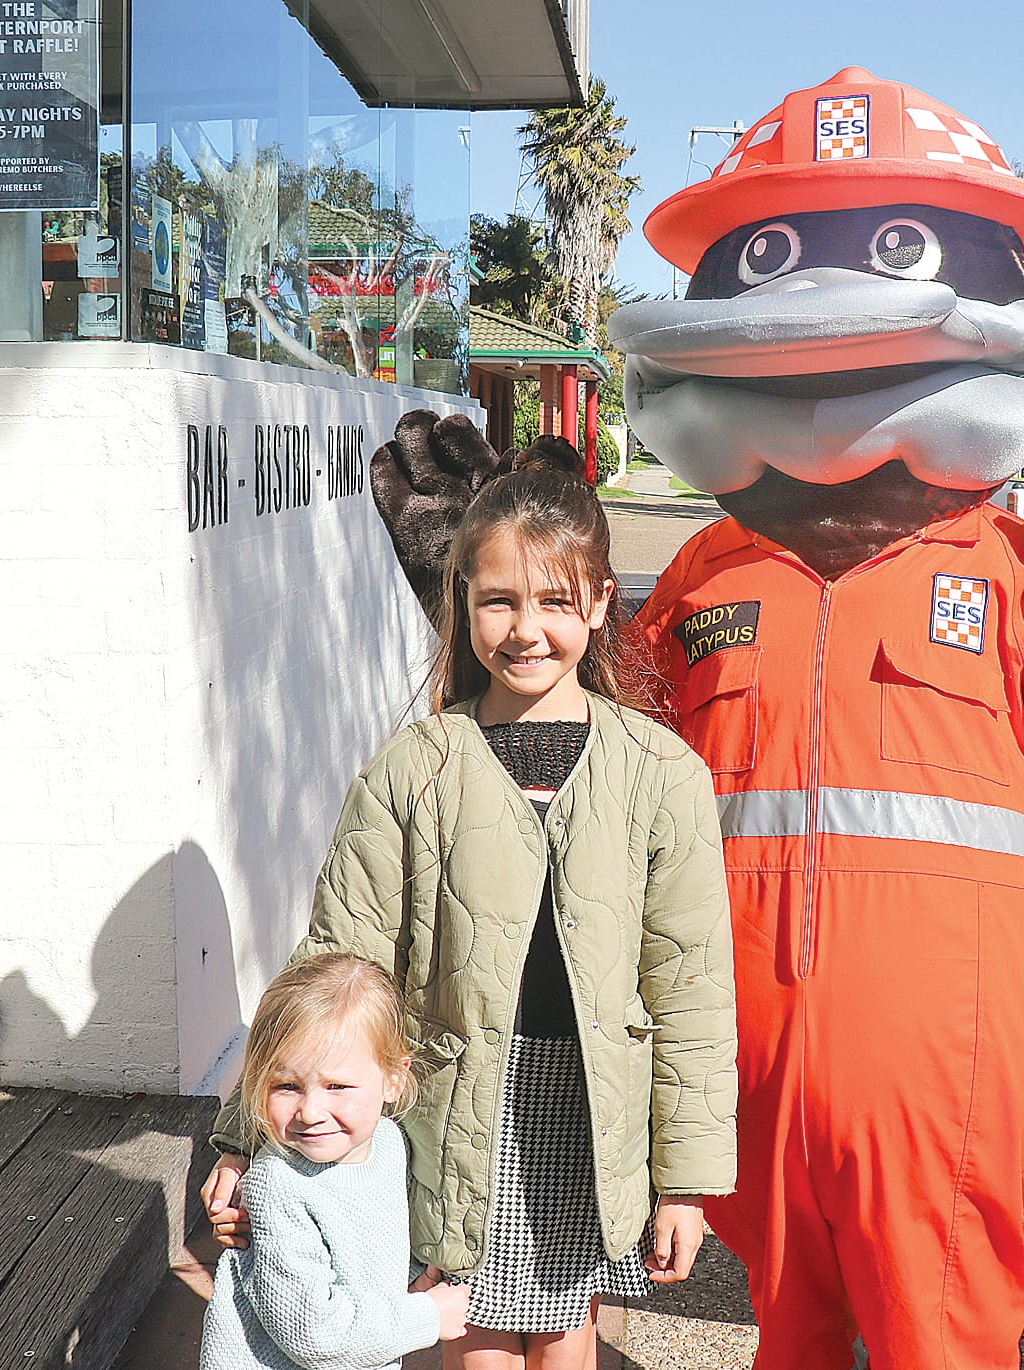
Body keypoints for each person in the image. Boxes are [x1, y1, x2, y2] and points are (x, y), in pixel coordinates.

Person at [201, 470, 738, 1370]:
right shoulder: (415, 770)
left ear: (602, 602)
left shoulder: (662, 775)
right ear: (462, 601)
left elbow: (692, 991)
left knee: (568, 1330)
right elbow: (337, 960)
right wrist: (244, 1136)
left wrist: (685, 1182)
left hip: (592, 1109)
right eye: (498, 600)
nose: (527, 629)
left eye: (555, 600)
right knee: (468, 1329)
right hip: (457, 1108)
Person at [200, 952, 471, 1370]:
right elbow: (315, 1337)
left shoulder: (389, 1144)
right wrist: (428, 1317)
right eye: (287, 1086)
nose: (310, 1111)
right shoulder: (279, 1184)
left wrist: (416, 1276)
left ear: (394, 1079)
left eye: (337, 1085)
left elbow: (368, 1246)